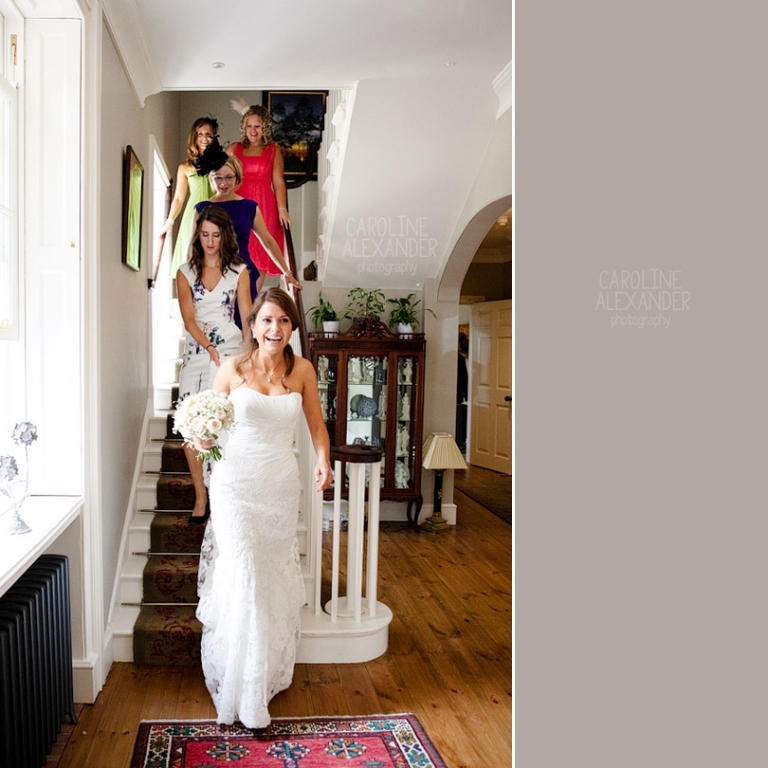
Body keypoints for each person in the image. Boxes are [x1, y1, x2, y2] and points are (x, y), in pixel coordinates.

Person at [195, 287, 332, 729]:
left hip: (279, 488)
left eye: (284, 322)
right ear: (253, 326)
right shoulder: (232, 369)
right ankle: (244, 695)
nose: (276, 329)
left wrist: (323, 460)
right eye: (267, 320)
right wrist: (201, 439)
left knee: (268, 578)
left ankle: (258, 676)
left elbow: (315, 424)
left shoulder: (304, 370)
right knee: (247, 574)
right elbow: (207, 425)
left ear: (292, 328)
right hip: (234, 486)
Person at [176, 206, 251, 523]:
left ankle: (225, 490)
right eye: (204, 234)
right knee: (192, 427)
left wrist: (249, 353)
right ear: (198, 236)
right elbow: (189, 318)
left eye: (215, 235)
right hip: (197, 351)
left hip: (231, 350)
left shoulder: (239, 271)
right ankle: (200, 494)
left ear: (224, 236)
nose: (209, 241)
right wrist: (207, 346)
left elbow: (247, 318)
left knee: (229, 426)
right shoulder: (184, 273)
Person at [193, 141, 300, 310]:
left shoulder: (249, 207)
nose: (223, 183)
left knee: (245, 329)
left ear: (237, 179)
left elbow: (268, 241)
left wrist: (287, 273)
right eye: (218, 178)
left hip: (243, 276)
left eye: (229, 177)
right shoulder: (201, 209)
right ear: (211, 179)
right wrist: (192, 280)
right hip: (211, 278)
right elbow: (194, 249)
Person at [227, 104, 291, 294]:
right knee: (237, 251)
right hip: (239, 204)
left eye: (258, 126)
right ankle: (236, 302)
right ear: (243, 127)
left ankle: (250, 304)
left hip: (265, 207)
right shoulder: (233, 149)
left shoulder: (273, 150)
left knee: (261, 255)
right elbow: (220, 176)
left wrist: (282, 209)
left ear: (265, 128)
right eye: (249, 126)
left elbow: (278, 182)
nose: (253, 131)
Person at [163, 117, 217, 277]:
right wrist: (170, 220)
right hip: (192, 215)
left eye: (208, 134)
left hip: (215, 213)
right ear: (194, 137)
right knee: (192, 260)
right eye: (200, 133)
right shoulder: (184, 167)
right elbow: (179, 198)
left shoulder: (220, 164)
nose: (204, 138)